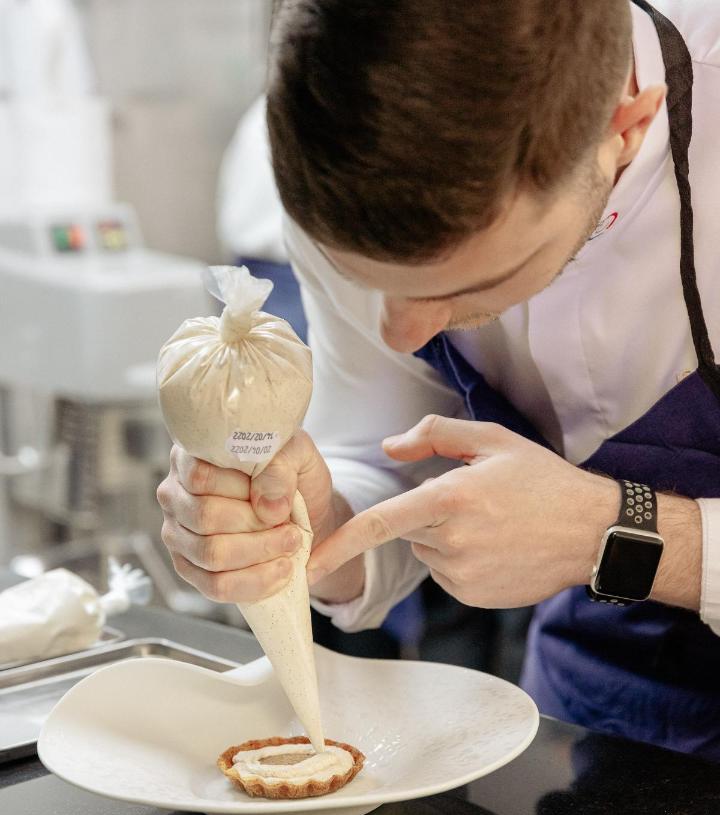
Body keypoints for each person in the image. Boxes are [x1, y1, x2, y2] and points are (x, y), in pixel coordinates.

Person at [157, 0, 720, 759]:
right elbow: (384, 453)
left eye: (472, 284)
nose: (402, 331)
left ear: (625, 129)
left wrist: (610, 532)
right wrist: (319, 527)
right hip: (597, 715)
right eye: (363, 281)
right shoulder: (342, 160)